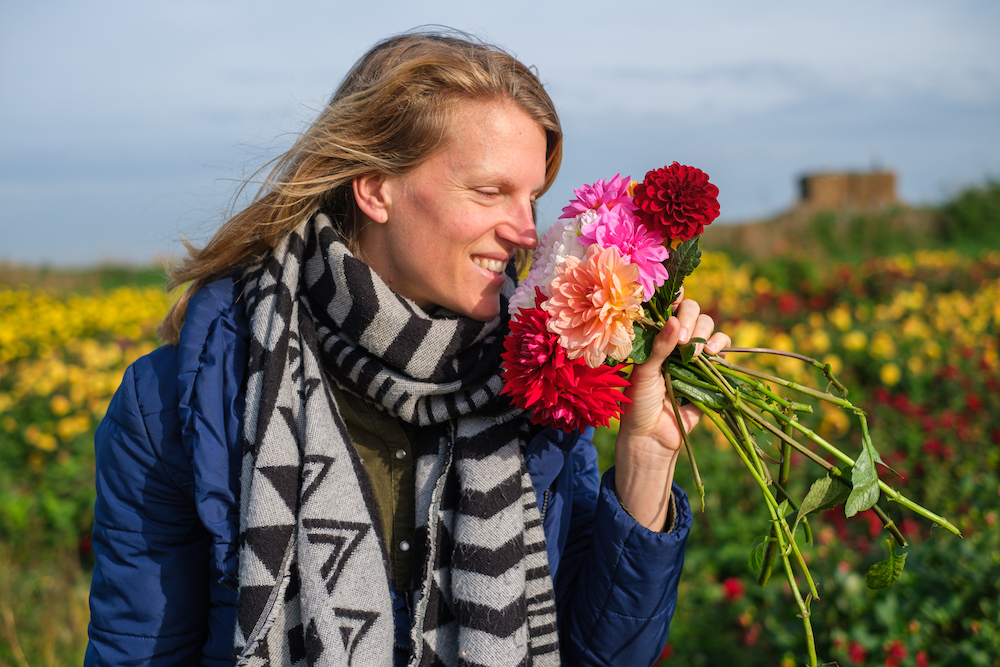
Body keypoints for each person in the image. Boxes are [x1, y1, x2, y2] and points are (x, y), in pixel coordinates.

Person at [84, 31, 731, 667]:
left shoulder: (537, 384)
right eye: (489, 191)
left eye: (531, 196)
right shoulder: (184, 399)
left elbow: (600, 655)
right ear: (375, 188)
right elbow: (139, 651)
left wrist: (646, 458)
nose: (527, 231)